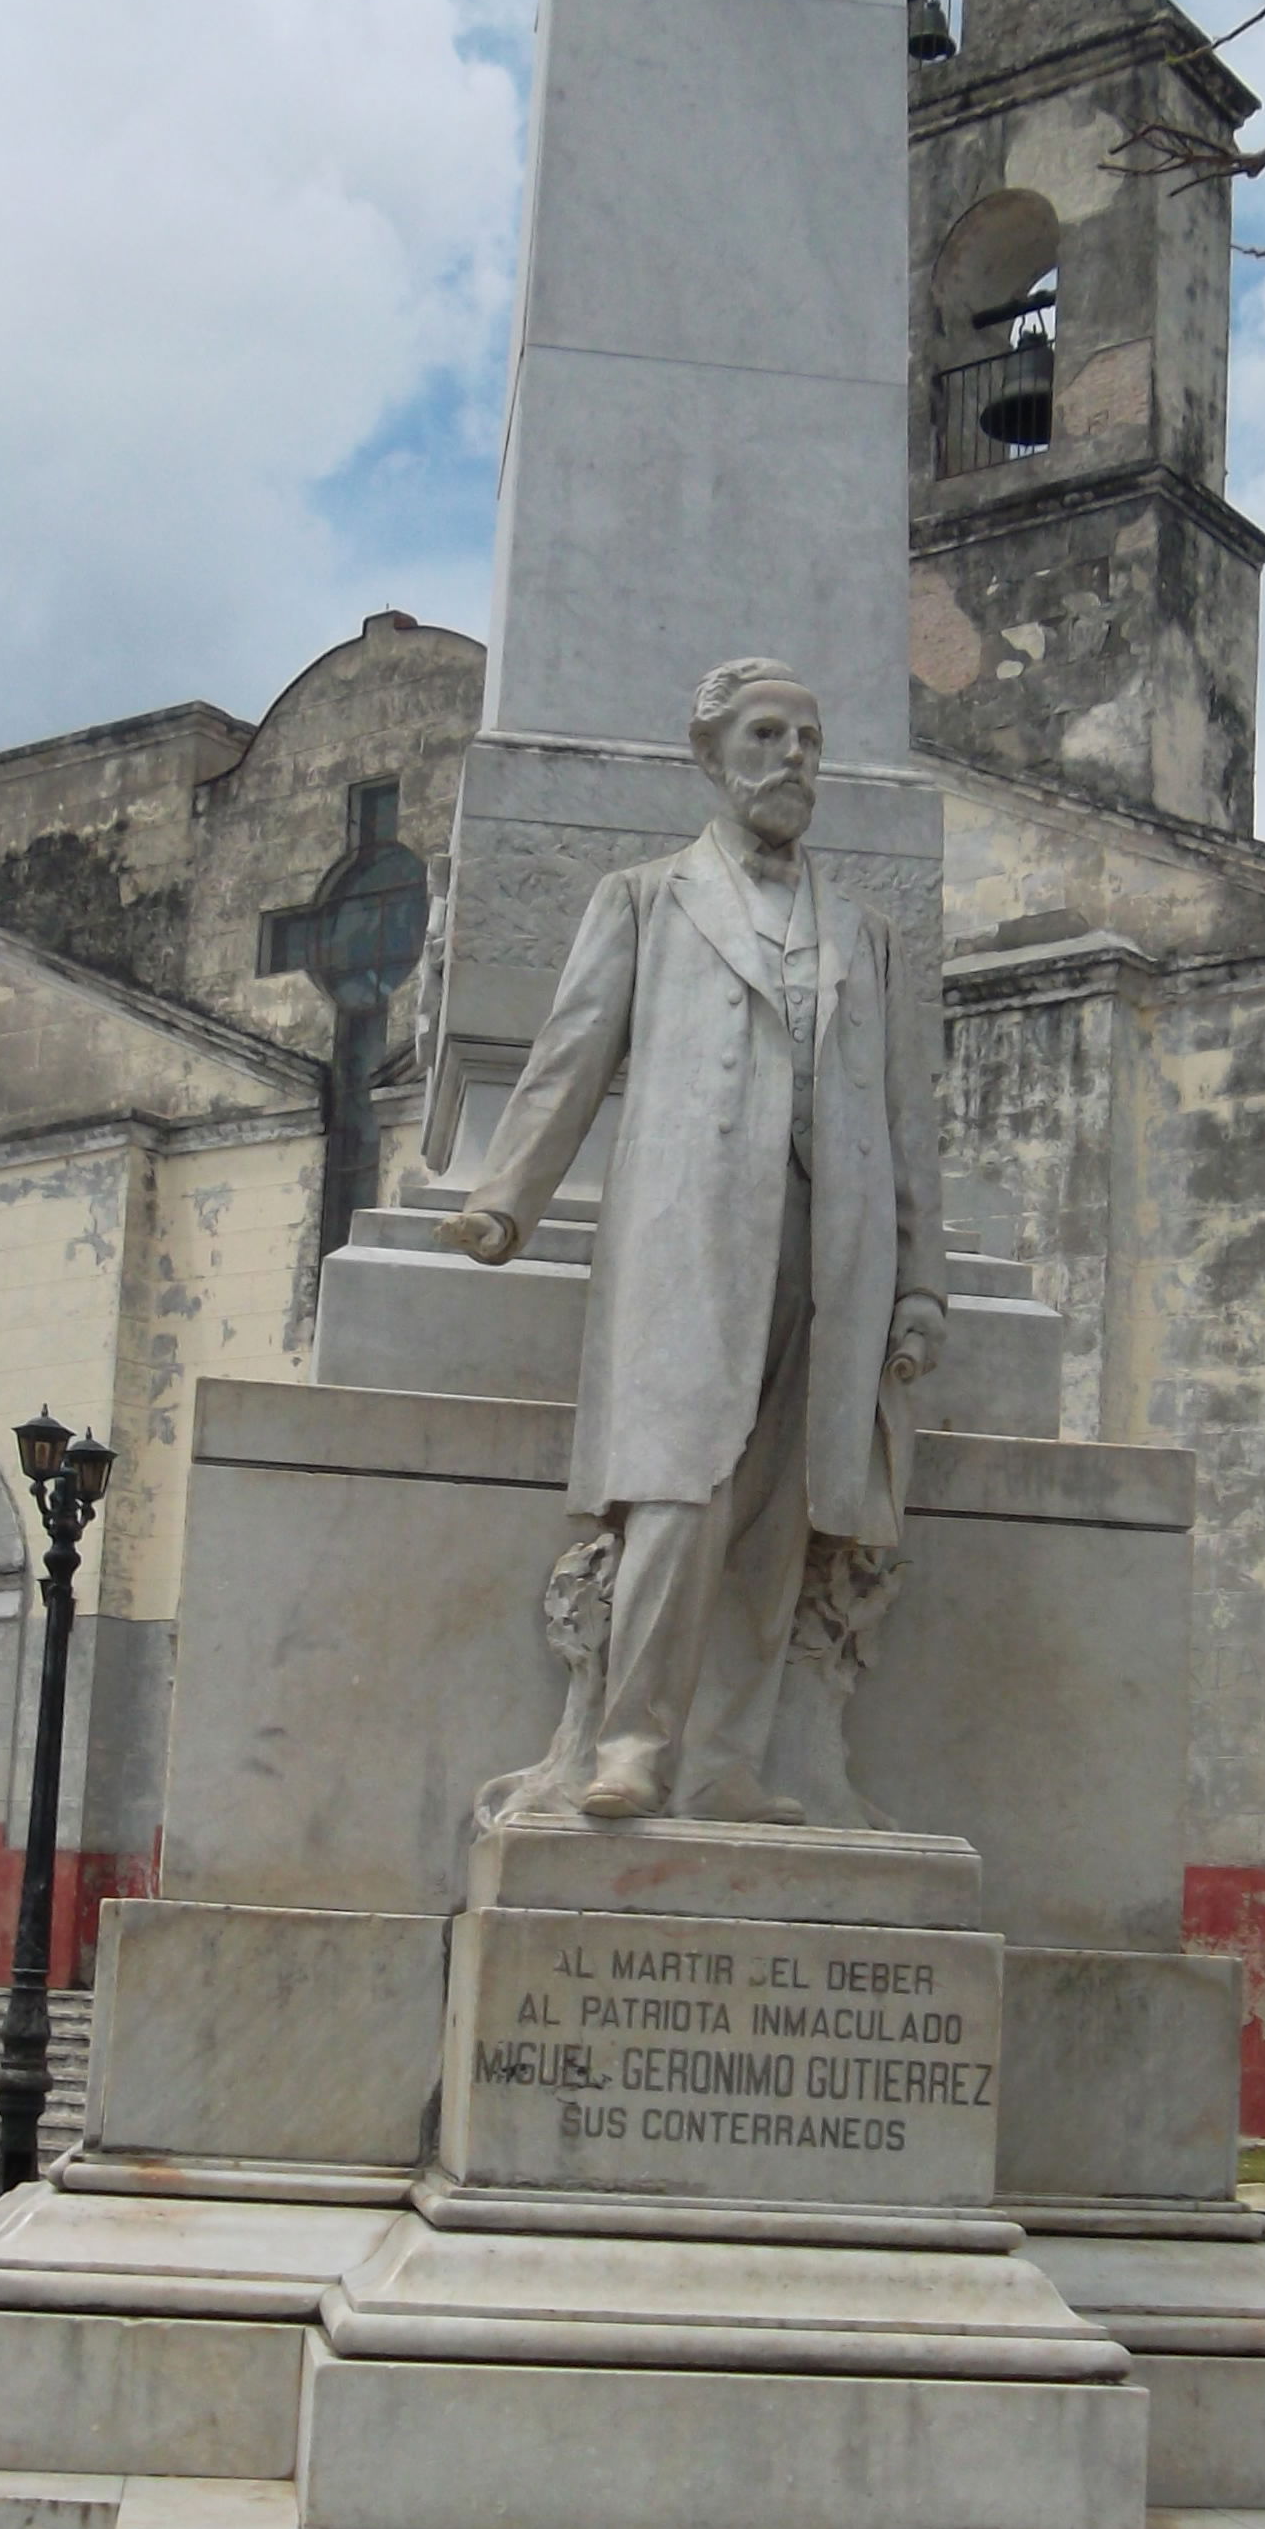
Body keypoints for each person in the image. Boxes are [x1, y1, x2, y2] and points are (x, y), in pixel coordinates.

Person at [448, 658, 947, 1821]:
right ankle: (634, 1743)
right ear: (712, 757)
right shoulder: (646, 898)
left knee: (782, 1514)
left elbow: (907, 1124)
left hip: (835, 1251)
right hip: (690, 1237)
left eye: (810, 739)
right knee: (676, 1491)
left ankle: (728, 1761)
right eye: (767, 735)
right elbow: (573, 1051)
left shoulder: (867, 936)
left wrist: (921, 1287)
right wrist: (506, 1196)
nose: (793, 760)